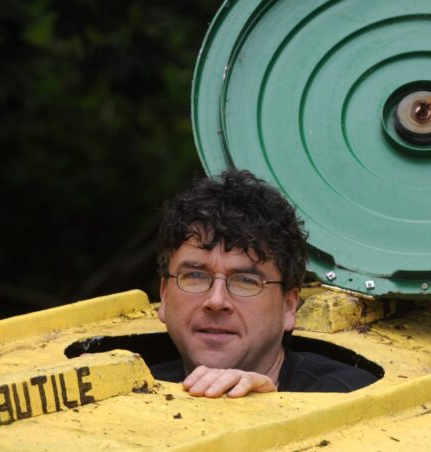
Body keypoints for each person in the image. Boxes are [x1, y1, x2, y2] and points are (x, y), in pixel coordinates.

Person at [152, 169, 377, 397]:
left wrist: (272, 407)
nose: (216, 301)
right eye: (196, 276)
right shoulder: (129, 393)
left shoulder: (350, 396)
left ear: (289, 306)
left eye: (245, 281)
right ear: (164, 296)